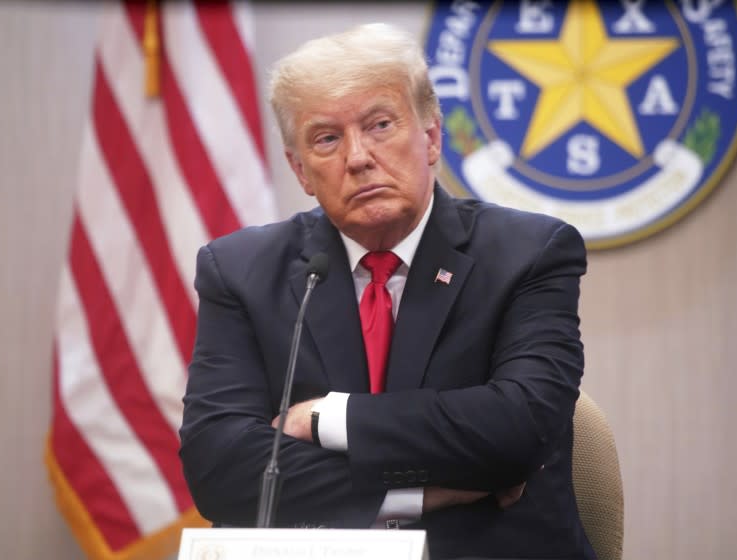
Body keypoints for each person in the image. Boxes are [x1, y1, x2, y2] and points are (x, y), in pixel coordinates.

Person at [179, 22, 594, 560]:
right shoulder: (239, 269)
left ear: (432, 138)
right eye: (326, 138)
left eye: (379, 125)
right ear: (300, 169)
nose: (357, 157)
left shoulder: (528, 253)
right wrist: (421, 492)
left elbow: (520, 427)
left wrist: (328, 418)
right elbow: (220, 468)